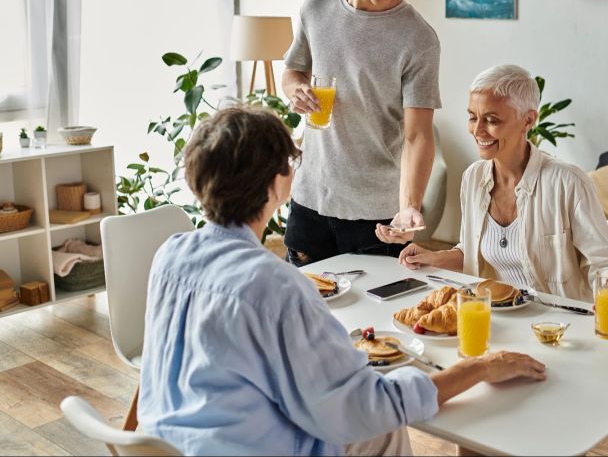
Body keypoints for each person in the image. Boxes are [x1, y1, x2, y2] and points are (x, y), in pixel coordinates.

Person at [138, 107, 546, 456]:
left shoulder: (170, 255)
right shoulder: (276, 286)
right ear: (279, 184)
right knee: (381, 427)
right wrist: (476, 368)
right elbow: (361, 407)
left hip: (167, 445)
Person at [399, 65, 608, 330]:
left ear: (528, 120)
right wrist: (433, 257)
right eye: (472, 117)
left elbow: (606, 265)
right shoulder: (473, 178)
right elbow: (471, 252)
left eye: (492, 120)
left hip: (558, 328)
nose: (478, 130)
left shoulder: (568, 182)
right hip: (494, 324)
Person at [281, 0, 440, 264]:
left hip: (376, 216)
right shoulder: (315, 8)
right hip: (310, 200)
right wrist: (296, 92)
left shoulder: (418, 39)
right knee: (304, 315)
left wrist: (409, 206)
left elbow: (418, 135)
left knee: (373, 318)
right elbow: (293, 71)